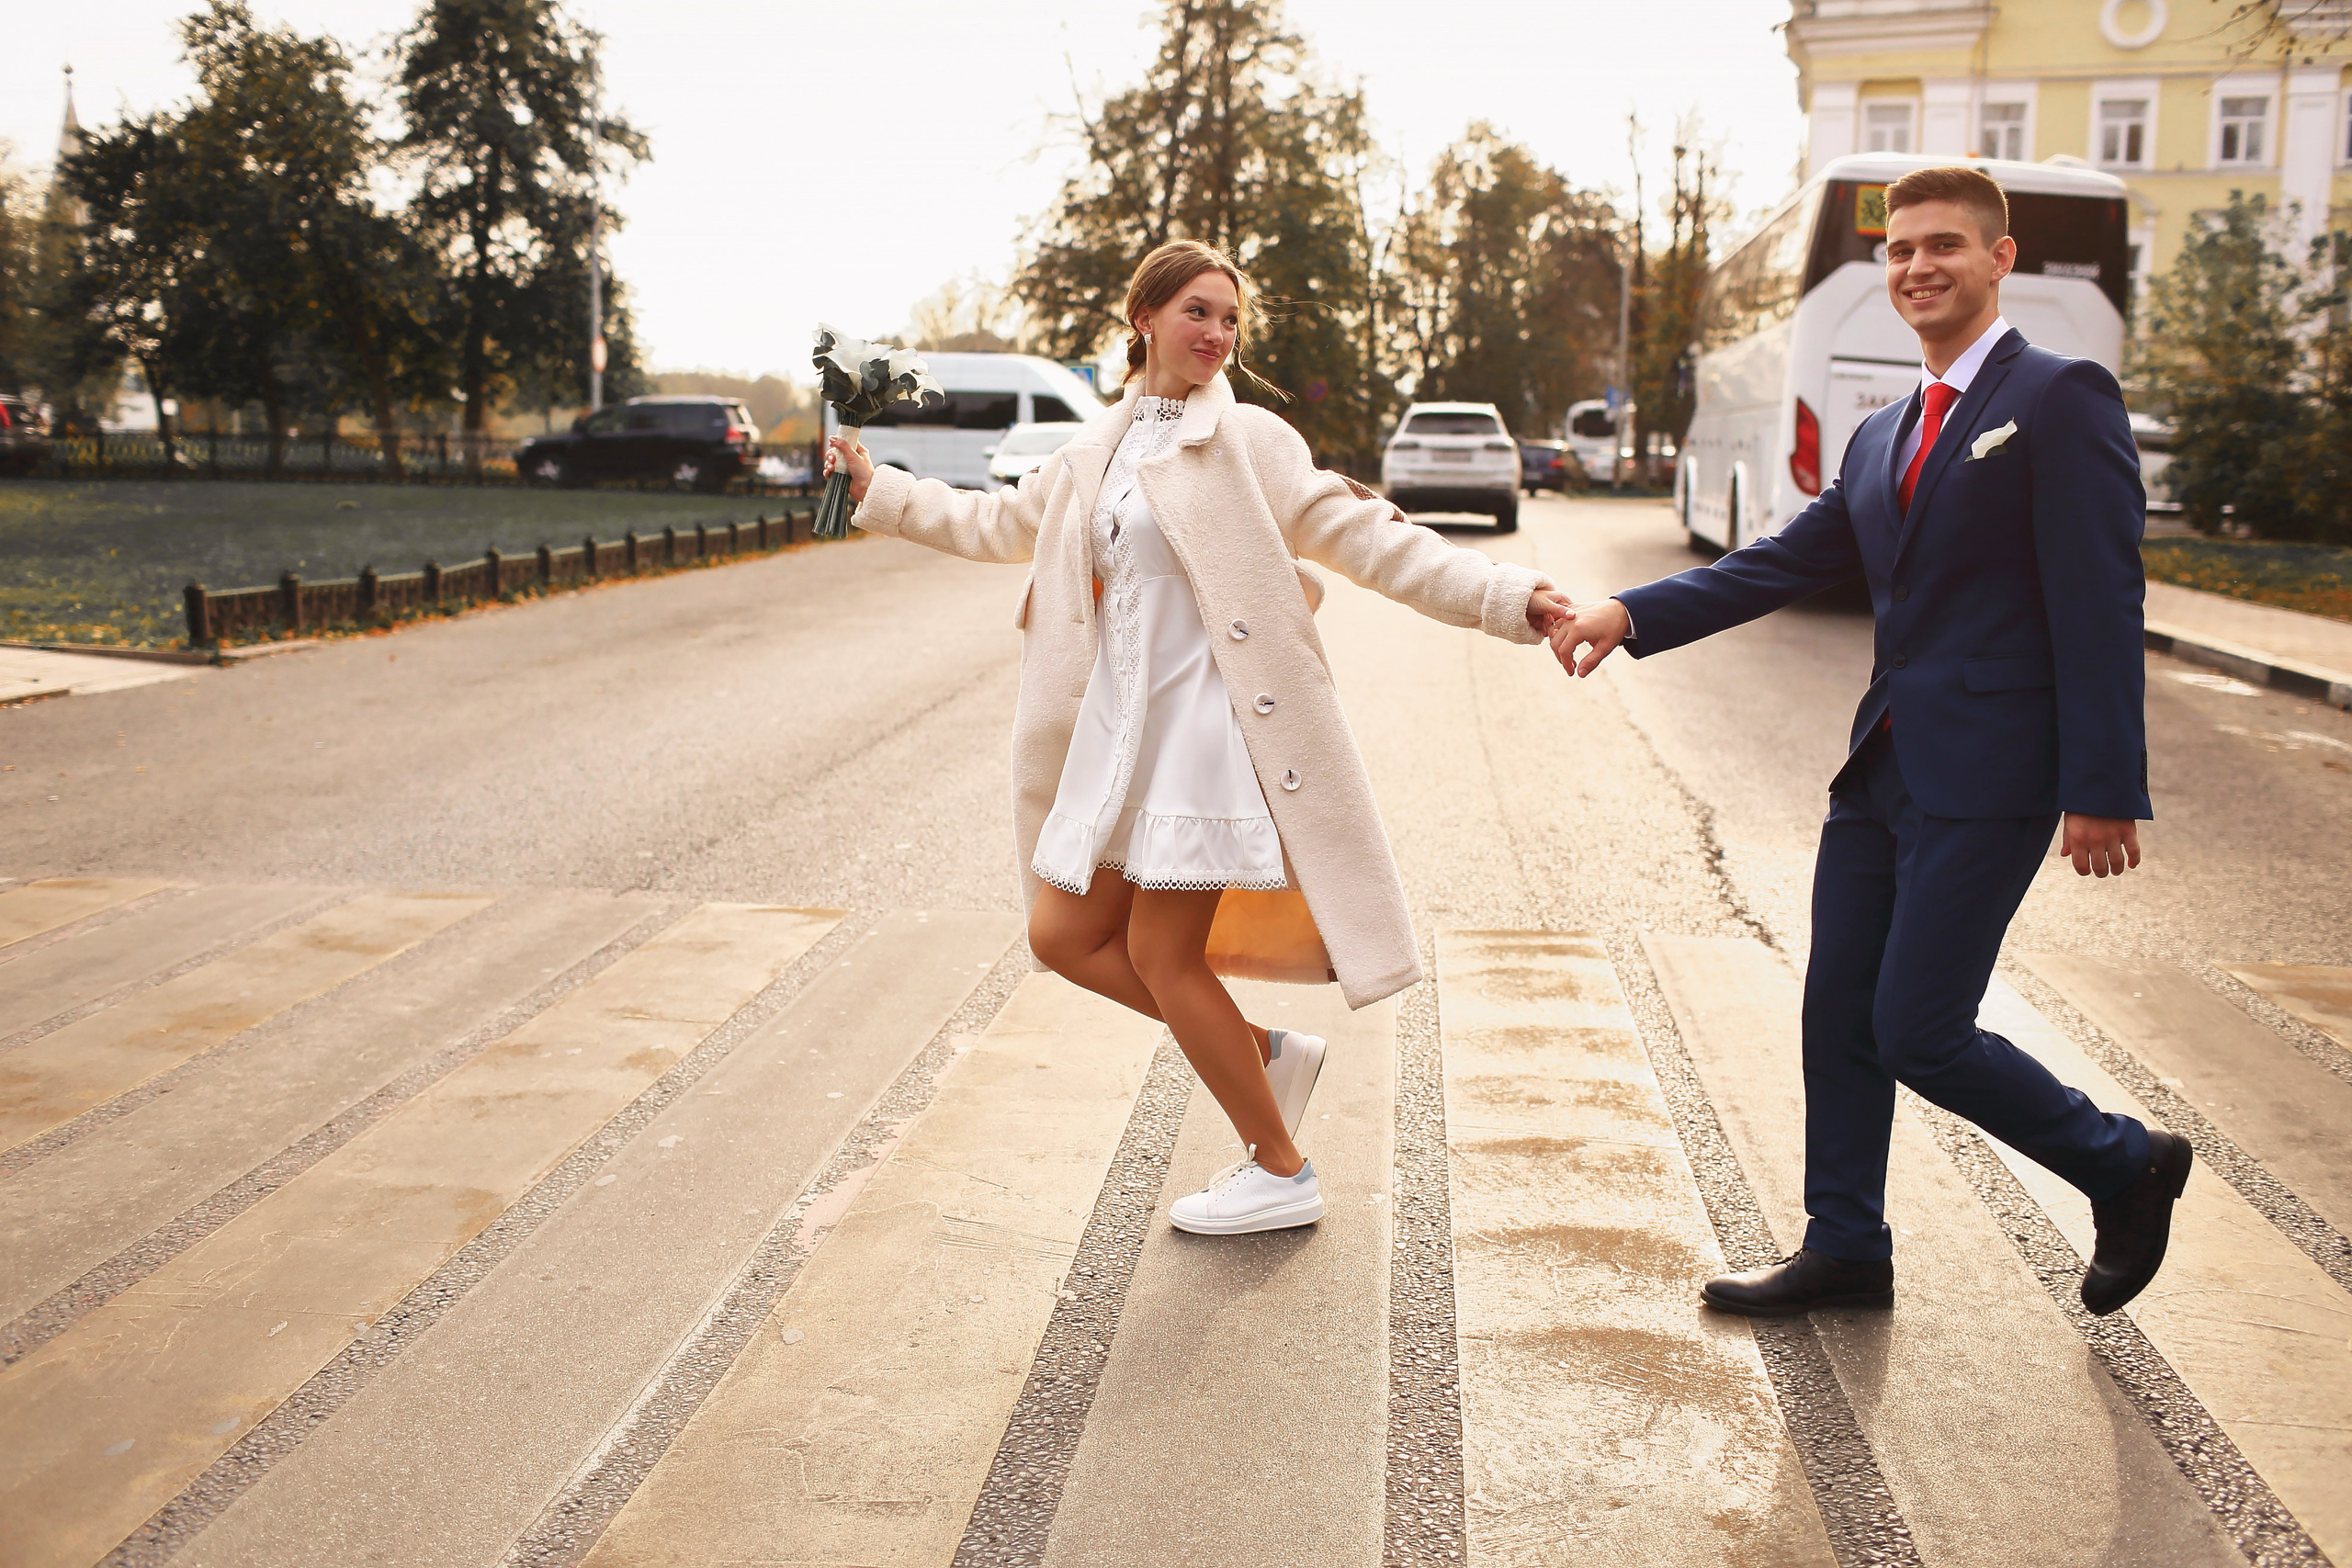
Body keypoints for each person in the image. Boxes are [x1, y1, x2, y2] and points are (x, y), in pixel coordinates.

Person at [1547, 164, 2190, 1318]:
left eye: (1943, 245)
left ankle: (2120, 1161)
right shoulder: (1886, 428)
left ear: (2001, 259)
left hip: (1996, 770)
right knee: (1839, 1012)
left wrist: (2104, 784)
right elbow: (1785, 562)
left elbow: (2102, 597)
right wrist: (1631, 613)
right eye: (1897, 251)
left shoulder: (2059, 395)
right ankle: (1845, 1245)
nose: (1916, 267)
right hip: (1881, 765)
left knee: (1918, 1031)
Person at [826, 240, 1568, 1235]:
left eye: (1229, 319)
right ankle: (1260, 1054)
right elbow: (995, 522)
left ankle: (1280, 1167)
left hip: (1208, 737)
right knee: (1060, 935)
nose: (1217, 334)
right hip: (1121, 735)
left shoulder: (1249, 442)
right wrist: (879, 486)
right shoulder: (1094, 450)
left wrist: (1509, 598)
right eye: (1198, 313)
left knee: (1163, 956)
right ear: (1145, 318)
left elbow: (1371, 537)